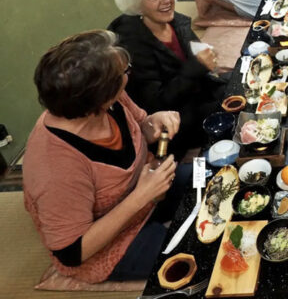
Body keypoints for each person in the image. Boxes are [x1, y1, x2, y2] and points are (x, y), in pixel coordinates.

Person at [24, 30, 186, 283]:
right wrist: (141, 196)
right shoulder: (54, 165)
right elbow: (71, 252)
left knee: (212, 178)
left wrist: (154, 122)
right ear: (99, 95)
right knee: (191, 252)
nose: (128, 75)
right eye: (125, 72)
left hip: (147, 192)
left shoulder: (110, 99)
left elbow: (141, 125)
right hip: (110, 242)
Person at [108, 0, 225, 157]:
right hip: (174, 118)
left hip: (196, 90)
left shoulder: (172, 21)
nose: (166, 0)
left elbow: (196, 55)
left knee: (239, 85)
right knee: (228, 112)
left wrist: (205, 58)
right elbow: (156, 103)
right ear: (136, 3)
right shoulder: (132, 45)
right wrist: (198, 66)